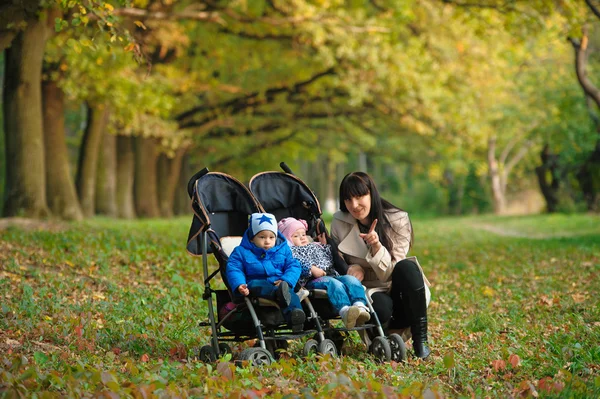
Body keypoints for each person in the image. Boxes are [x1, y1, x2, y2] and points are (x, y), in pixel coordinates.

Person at [330, 172, 432, 359]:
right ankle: (380, 339)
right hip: (368, 293)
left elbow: (392, 270)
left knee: (408, 267)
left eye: (359, 197)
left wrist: (376, 247)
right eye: (348, 199)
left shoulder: (398, 219)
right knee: (381, 305)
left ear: (371, 194)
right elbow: (336, 260)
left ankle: (421, 341)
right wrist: (349, 270)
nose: (354, 205)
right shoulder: (339, 221)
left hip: (399, 290)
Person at [278, 217, 371, 329]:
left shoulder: (314, 246)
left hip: (331, 274)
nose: (302, 238)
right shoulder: (291, 251)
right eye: (296, 236)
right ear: (288, 239)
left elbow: (329, 260)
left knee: (351, 279)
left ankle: (359, 306)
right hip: (312, 280)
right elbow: (295, 264)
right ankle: (345, 310)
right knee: (334, 284)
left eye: (303, 234)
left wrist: (324, 246)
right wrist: (311, 268)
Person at [226, 212, 306, 332]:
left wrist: (287, 280)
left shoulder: (283, 249)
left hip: (281, 282)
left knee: (289, 292)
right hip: (257, 285)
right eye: (262, 237)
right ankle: (279, 293)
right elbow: (234, 269)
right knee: (256, 285)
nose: (267, 241)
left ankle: (295, 318)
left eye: (271, 237)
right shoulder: (241, 252)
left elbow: (293, 265)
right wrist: (239, 284)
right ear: (252, 238)